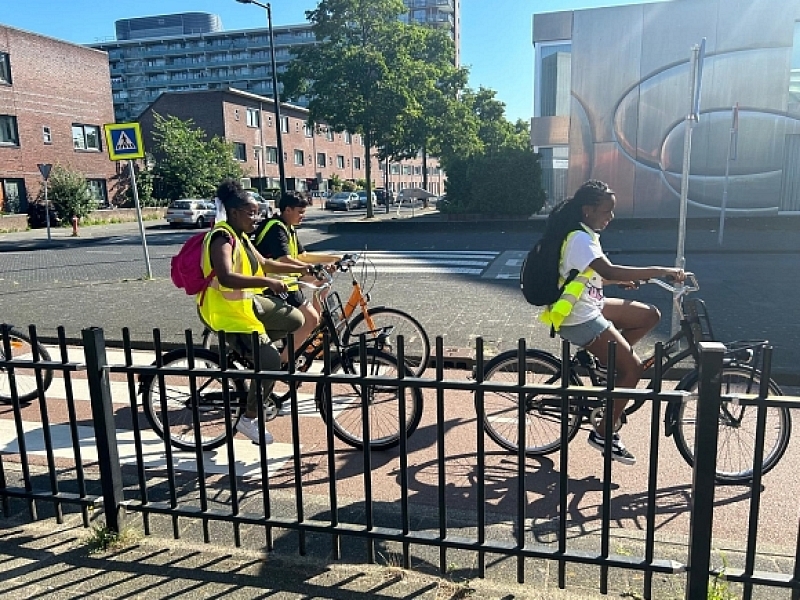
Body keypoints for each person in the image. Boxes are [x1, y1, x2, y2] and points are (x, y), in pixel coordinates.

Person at [540, 180, 685, 466]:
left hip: (591, 305)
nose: (611, 217)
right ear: (588, 210)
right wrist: (661, 270)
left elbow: (591, 273)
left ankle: (610, 366)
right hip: (577, 317)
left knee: (649, 315)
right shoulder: (580, 239)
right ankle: (604, 434)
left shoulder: (587, 234)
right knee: (631, 370)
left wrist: (616, 280)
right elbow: (608, 269)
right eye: (607, 211)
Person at [199, 179, 311, 445]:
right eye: (251, 213)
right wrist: (267, 282)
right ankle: (249, 417)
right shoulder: (221, 238)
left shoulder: (242, 237)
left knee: (297, 318)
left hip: (247, 306)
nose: (256, 217)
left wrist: (305, 271)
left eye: (257, 212)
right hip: (227, 314)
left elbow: (266, 263)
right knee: (271, 361)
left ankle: (251, 354)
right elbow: (226, 277)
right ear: (235, 212)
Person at [253, 191, 339, 359]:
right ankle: (284, 362)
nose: (303, 216)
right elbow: (284, 259)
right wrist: (312, 267)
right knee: (311, 319)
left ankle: (308, 330)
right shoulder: (275, 229)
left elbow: (302, 256)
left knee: (321, 281)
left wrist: (335, 257)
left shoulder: (288, 228)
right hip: (274, 283)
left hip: (287, 278)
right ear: (287, 210)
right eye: (300, 212)